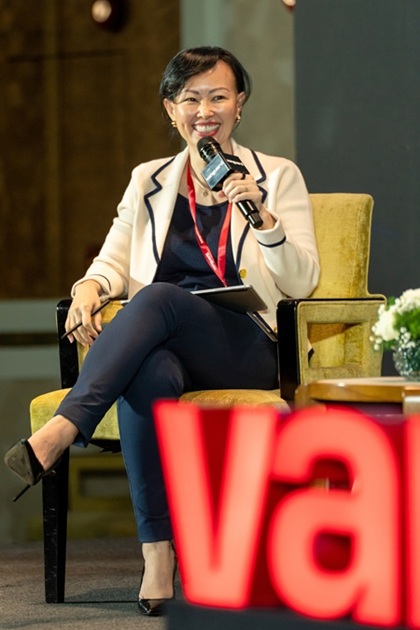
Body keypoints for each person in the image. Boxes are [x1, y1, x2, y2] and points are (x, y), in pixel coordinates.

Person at [4, 46, 320, 615]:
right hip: (168, 343)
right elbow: (112, 260)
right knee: (148, 370)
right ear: (171, 110)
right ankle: (158, 556)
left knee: (157, 298)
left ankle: (61, 430)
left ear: (240, 104)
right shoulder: (148, 179)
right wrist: (90, 286)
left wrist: (265, 219)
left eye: (218, 96)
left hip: (249, 345)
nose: (205, 110)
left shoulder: (276, 176)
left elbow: (303, 282)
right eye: (191, 98)